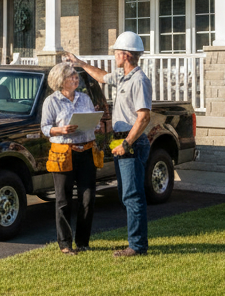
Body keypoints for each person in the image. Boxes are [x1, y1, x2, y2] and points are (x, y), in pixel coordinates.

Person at [65, 31, 152, 257]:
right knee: (126, 194)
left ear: (125, 55)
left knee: (133, 196)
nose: (114, 55)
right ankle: (135, 243)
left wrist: (126, 143)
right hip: (121, 140)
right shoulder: (123, 77)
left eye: (116, 52)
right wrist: (80, 63)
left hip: (131, 142)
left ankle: (137, 246)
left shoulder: (139, 80)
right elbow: (102, 76)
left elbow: (144, 117)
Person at [40, 61, 98, 255]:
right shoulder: (51, 102)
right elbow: (45, 128)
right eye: (72, 76)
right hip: (63, 153)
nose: (76, 78)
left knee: (87, 198)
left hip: (87, 151)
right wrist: (61, 129)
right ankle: (65, 244)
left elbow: (92, 122)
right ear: (60, 81)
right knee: (63, 200)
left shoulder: (84, 98)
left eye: (76, 75)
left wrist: (94, 123)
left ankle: (83, 242)